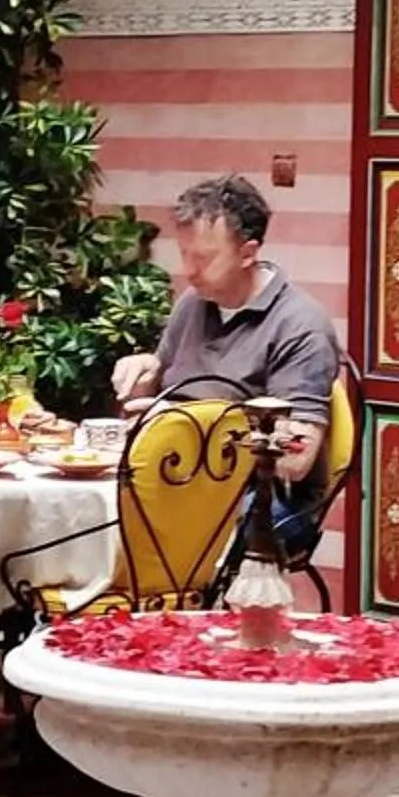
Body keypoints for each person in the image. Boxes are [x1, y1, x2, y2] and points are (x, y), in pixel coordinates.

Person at [110, 174, 344, 557]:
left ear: (248, 252)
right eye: (184, 254)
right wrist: (142, 374)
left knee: (132, 535)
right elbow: (158, 389)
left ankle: (163, 611)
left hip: (264, 501)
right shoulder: (194, 301)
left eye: (203, 258)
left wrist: (189, 427)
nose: (189, 270)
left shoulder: (300, 325)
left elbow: (294, 459)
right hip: (176, 479)